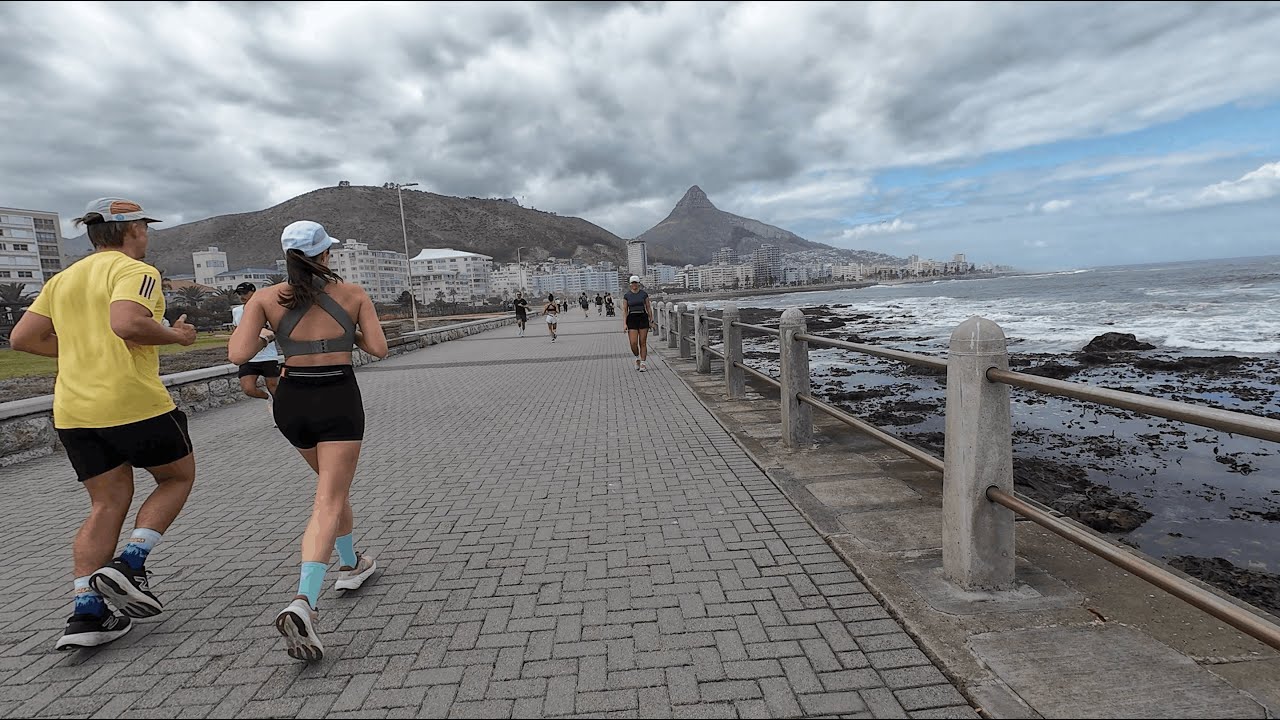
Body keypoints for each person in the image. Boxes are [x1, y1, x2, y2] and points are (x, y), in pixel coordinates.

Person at [10, 197, 198, 650]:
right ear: (131, 230)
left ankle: (86, 614)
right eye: (143, 228)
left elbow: (23, 337)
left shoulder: (62, 278)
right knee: (177, 477)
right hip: (131, 401)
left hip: (74, 411)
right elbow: (128, 323)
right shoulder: (136, 271)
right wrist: (177, 335)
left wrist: (77, 352)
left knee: (106, 503)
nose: (146, 235)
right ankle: (130, 564)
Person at [228, 220, 388, 662]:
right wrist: (346, 330)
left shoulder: (263, 298)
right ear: (325, 255)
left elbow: (238, 354)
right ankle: (305, 601)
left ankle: (352, 564)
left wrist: (272, 331)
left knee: (331, 490)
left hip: (292, 400)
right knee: (328, 499)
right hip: (336, 395)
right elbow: (379, 349)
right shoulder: (353, 294)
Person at [231, 283, 280, 404]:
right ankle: (269, 400)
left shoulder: (266, 308)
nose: (242, 296)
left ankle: (281, 413)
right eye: (239, 294)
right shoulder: (236, 311)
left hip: (268, 356)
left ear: (254, 292)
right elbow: (236, 331)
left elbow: (275, 330)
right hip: (248, 357)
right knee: (248, 389)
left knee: (274, 387)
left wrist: (265, 336)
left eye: (245, 293)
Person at [622, 275, 653, 372]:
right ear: (630, 284)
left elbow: (648, 307)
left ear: (638, 284)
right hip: (632, 318)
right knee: (633, 343)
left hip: (642, 317)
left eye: (636, 282)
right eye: (632, 283)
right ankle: (637, 358)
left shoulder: (644, 294)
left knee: (642, 342)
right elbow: (625, 310)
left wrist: (651, 319)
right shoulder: (627, 296)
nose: (634, 284)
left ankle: (643, 363)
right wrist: (624, 323)